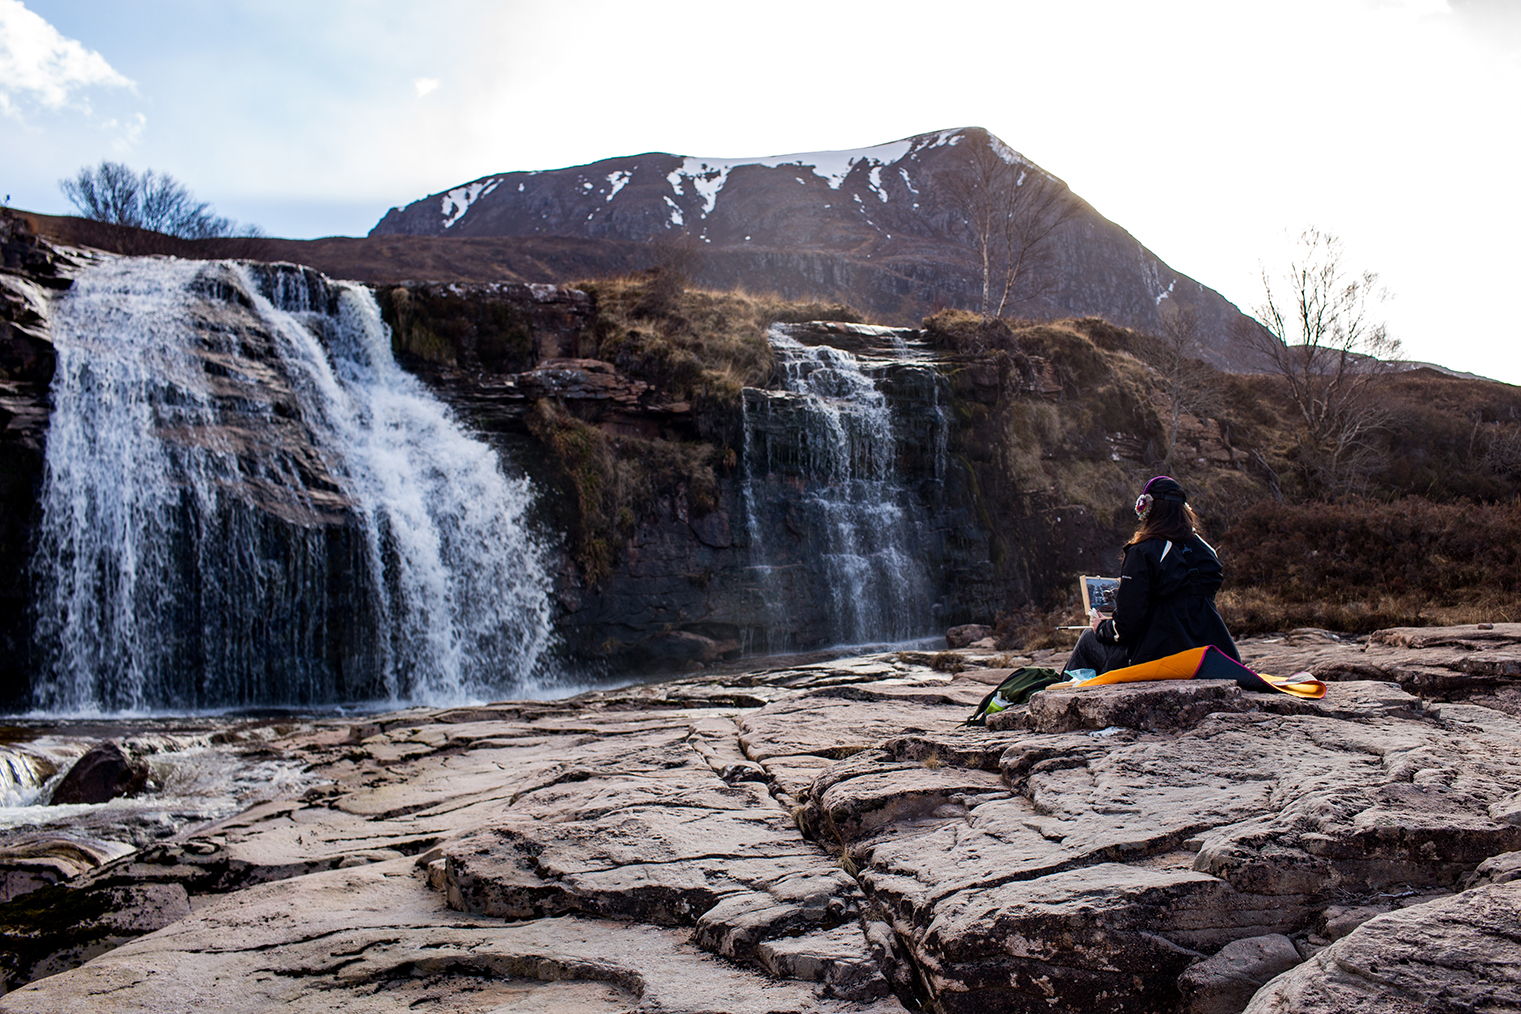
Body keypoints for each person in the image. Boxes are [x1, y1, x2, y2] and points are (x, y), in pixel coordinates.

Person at [1063, 475, 1240, 676]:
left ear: (1147, 508)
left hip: (1161, 655)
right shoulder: (1206, 550)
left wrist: (1102, 627)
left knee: (1088, 639)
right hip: (1213, 653)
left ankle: (1064, 697)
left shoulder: (1142, 552)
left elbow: (1127, 627)